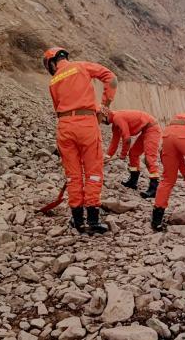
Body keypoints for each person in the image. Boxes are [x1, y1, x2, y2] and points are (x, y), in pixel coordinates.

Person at [44, 47, 117, 234]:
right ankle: (92, 221)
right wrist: (105, 106)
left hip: (64, 126)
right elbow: (111, 78)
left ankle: (77, 220)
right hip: (86, 123)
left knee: (72, 175)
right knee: (93, 172)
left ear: (52, 63)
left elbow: (57, 108)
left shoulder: (53, 81)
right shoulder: (81, 66)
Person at [105, 110, 161, 198]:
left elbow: (127, 139)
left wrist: (123, 153)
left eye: (101, 119)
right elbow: (114, 142)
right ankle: (133, 181)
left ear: (105, 114)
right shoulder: (115, 123)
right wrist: (107, 156)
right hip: (146, 130)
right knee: (133, 153)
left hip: (152, 128)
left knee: (150, 157)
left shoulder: (117, 118)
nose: (101, 122)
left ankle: (155, 188)